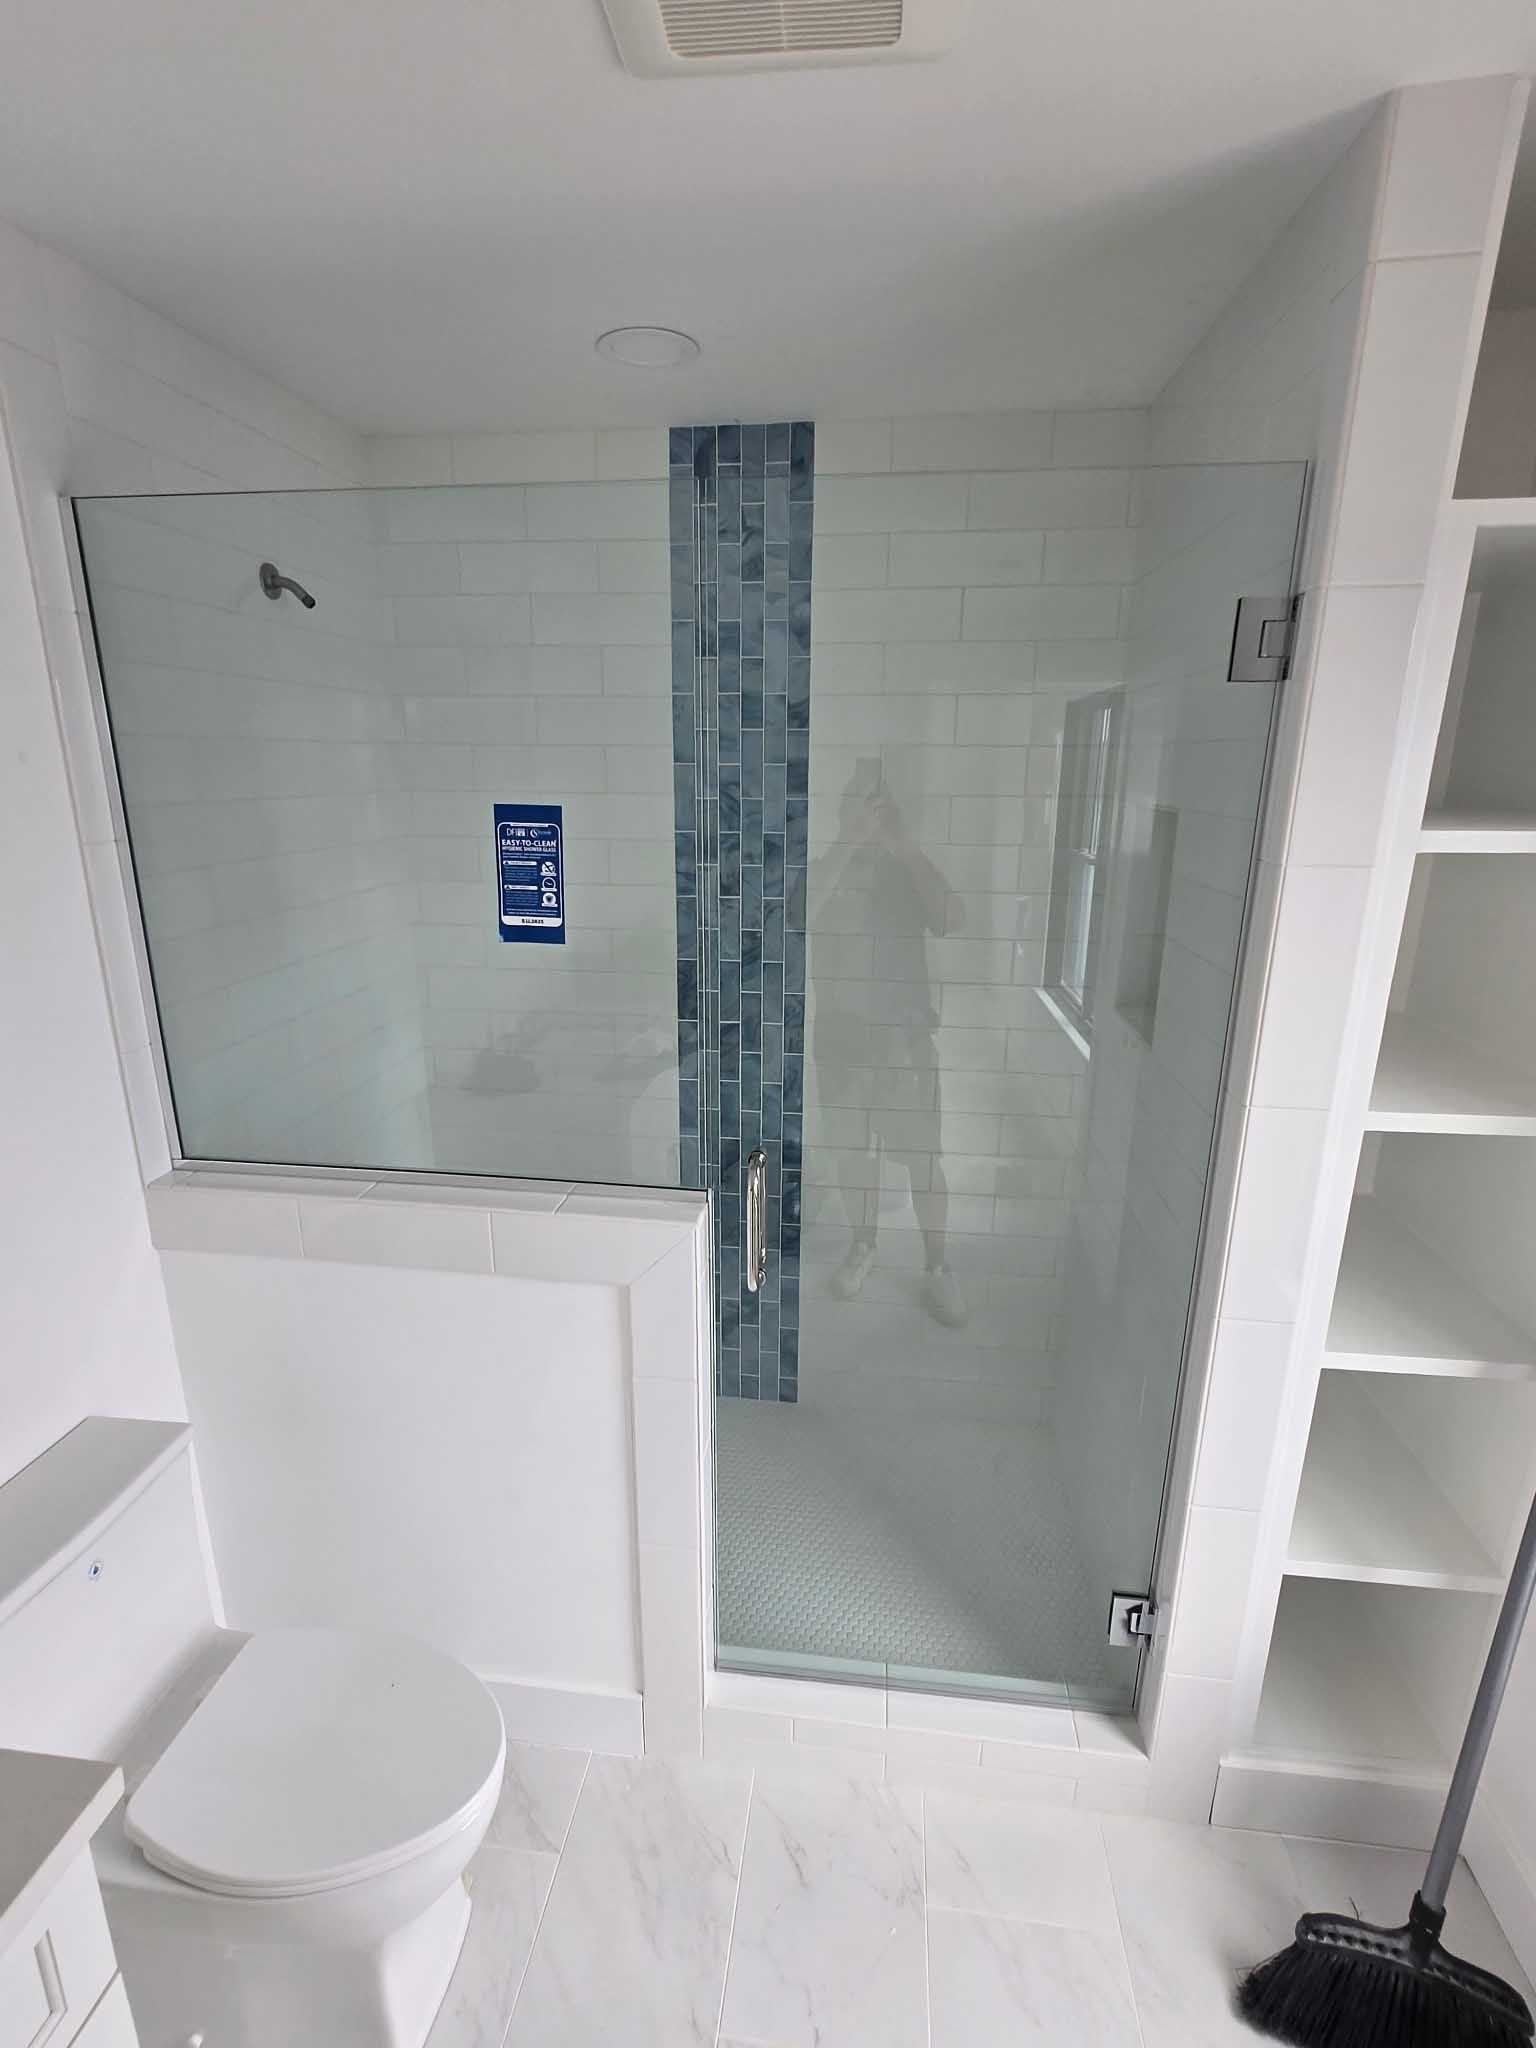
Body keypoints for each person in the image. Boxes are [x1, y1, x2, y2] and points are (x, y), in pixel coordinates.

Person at [809, 764, 968, 1328]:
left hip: (903, 1041)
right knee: (852, 1156)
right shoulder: (826, 867)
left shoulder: (908, 869)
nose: (869, 815)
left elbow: (953, 918)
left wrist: (903, 846)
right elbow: (794, 918)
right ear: (841, 809)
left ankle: (938, 1265)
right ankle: (863, 1244)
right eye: (858, 802)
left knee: (925, 1161)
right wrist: (849, 841)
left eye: (879, 806)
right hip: (841, 1041)